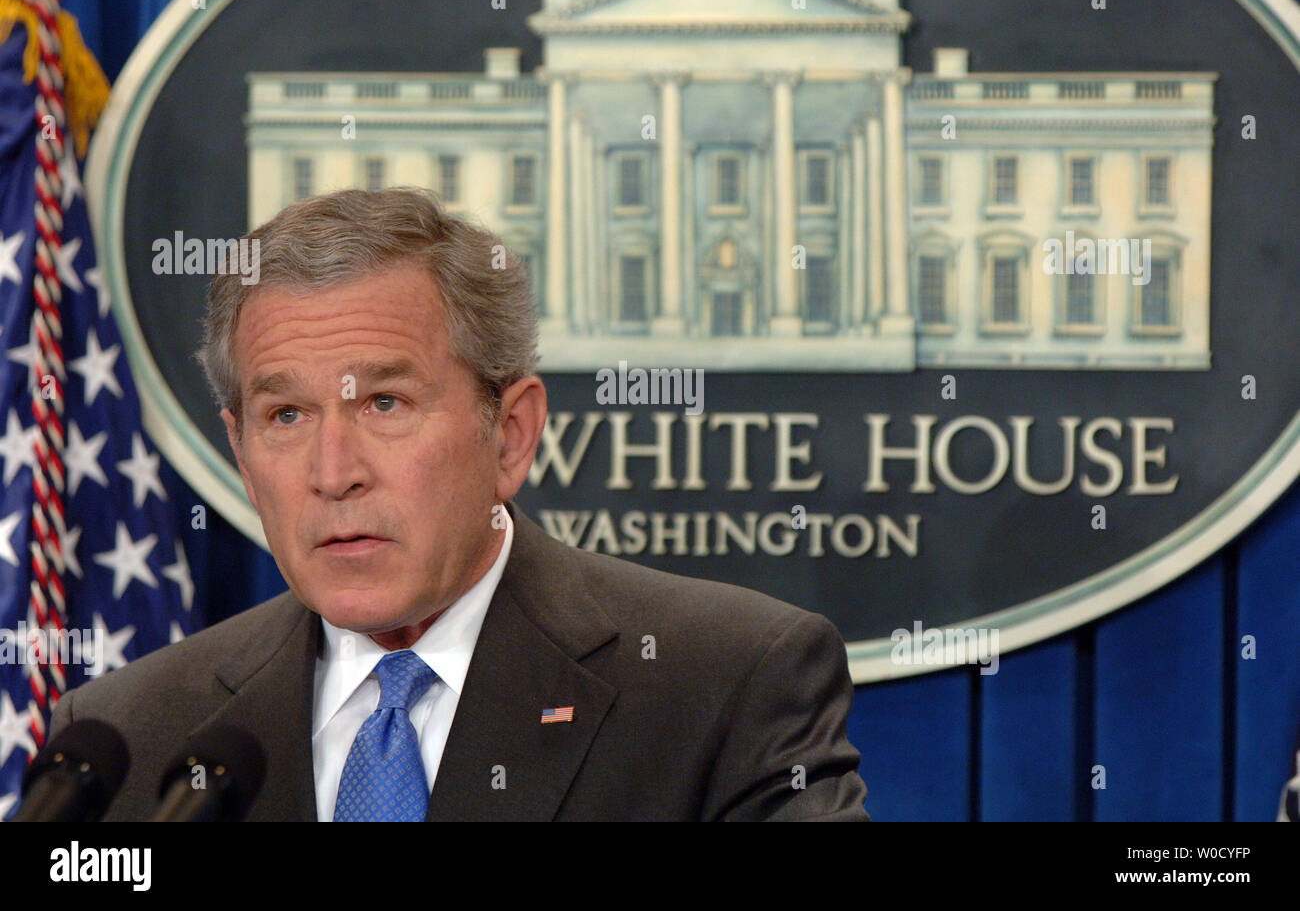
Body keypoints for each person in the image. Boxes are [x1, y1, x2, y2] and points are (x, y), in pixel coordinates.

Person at [47, 187, 870, 821]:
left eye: (385, 403)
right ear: (240, 449)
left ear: (510, 435)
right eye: (287, 415)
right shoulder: (128, 737)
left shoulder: (725, 685)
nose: (333, 472)